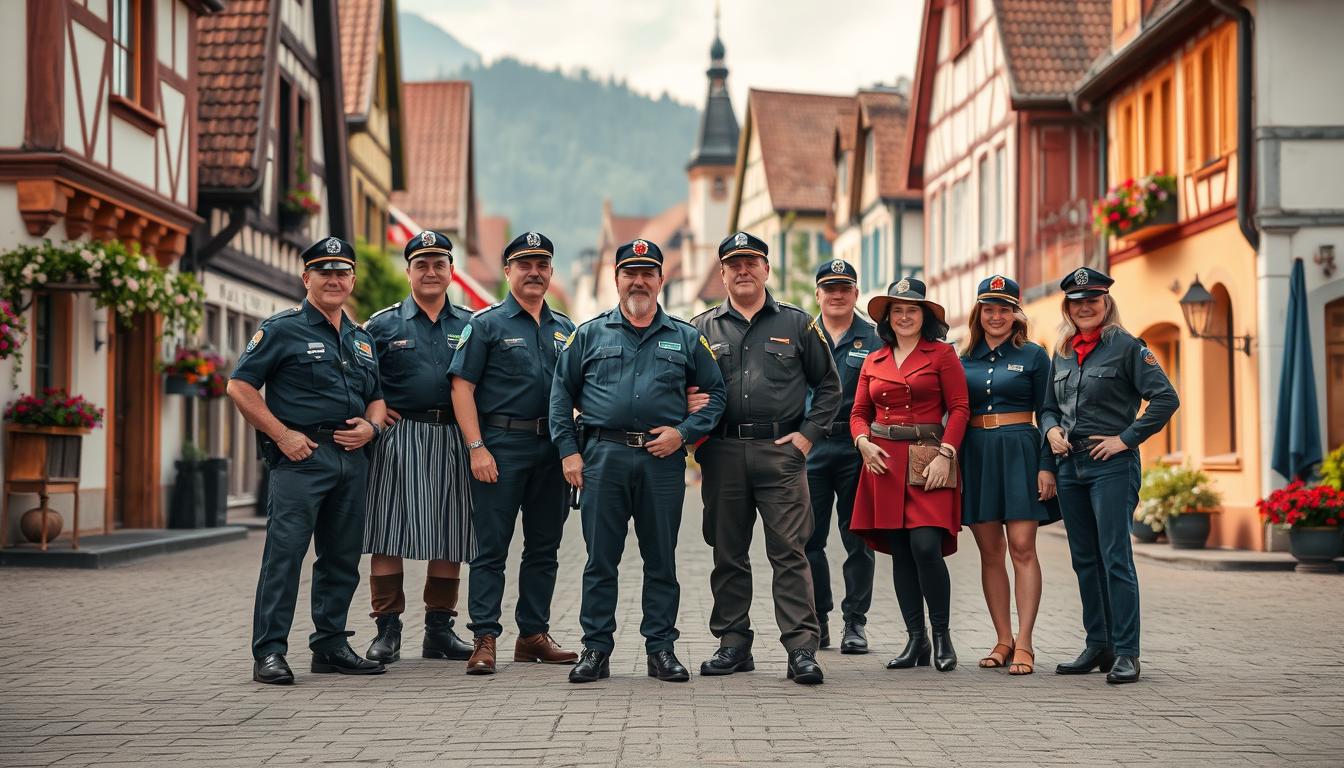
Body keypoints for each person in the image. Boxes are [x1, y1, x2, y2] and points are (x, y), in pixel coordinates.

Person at [550, 239, 727, 683]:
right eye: (630, 272)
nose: (639, 280)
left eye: (648, 273)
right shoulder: (589, 334)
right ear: (617, 279)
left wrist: (683, 435)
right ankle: (595, 650)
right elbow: (559, 396)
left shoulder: (686, 337)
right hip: (601, 457)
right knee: (599, 560)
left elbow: (716, 396)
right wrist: (569, 452)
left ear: (660, 280)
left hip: (661, 459)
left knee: (661, 560)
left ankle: (661, 649)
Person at [228, 236, 387, 685]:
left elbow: (377, 398)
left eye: (342, 272)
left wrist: (372, 428)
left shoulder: (361, 339)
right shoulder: (282, 329)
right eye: (324, 272)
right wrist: (281, 435)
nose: (334, 280)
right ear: (306, 278)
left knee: (341, 558)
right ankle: (270, 652)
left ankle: (331, 645)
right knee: (285, 557)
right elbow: (240, 387)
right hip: (302, 460)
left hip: (352, 459)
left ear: (352, 279)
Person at [691, 231, 842, 685]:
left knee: (790, 553)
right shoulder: (700, 329)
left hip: (781, 455)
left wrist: (807, 438)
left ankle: (801, 649)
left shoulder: (798, 324)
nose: (743, 270)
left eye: (751, 262)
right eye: (734, 264)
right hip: (722, 453)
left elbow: (831, 387)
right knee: (728, 553)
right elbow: (680, 388)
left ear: (766, 270)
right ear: (722, 273)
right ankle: (733, 644)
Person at [447, 232, 579, 674]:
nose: (534, 272)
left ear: (550, 273)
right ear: (508, 272)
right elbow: (461, 388)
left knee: (545, 546)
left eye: (542, 264)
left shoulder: (565, 330)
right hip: (500, 447)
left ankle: (533, 635)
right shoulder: (485, 325)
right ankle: (484, 637)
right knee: (492, 548)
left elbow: (581, 391)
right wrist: (476, 447)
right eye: (525, 264)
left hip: (552, 450)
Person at [1042, 267, 1178, 685]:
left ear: (1105, 303)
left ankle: (1126, 653)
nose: (1085, 307)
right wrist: (1050, 430)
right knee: (1084, 559)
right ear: (1068, 306)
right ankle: (1097, 643)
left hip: (1111, 467)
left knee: (1115, 557)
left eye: (1092, 300)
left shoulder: (1127, 347)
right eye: (1076, 302)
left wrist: (1126, 439)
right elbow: (1048, 405)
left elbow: (1165, 398)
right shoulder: (1062, 351)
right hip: (1070, 467)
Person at [360, 231, 475, 665]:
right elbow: (358, 377)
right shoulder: (381, 324)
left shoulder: (470, 324)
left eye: (439, 264)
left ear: (451, 271)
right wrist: (374, 410)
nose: (430, 271)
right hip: (398, 437)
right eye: (421, 264)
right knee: (387, 531)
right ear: (407, 270)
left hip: (453, 437)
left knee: (450, 533)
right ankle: (387, 631)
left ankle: (439, 632)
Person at [849, 277, 969, 673]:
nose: (904, 316)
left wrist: (946, 455)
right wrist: (863, 443)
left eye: (911, 310)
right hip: (883, 461)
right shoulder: (874, 359)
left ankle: (941, 636)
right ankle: (915, 640)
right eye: (897, 310)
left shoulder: (942, 355)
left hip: (928, 458)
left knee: (924, 547)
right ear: (887, 318)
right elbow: (858, 413)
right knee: (900, 551)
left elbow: (960, 408)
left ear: (924, 316)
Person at [958, 275, 1060, 677]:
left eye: (1003, 308)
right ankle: (1003, 639)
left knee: (1022, 546)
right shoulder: (962, 357)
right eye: (989, 308)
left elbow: (1049, 410)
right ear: (978, 313)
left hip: (1021, 449)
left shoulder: (1035, 355)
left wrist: (1047, 464)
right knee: (990, 552)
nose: (995, 316)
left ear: (1016, 314)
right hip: (977, 454)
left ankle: (1026, 642)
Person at [804, 259, 878, 654]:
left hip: (856, 450)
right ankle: (818, 619)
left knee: (858, 540)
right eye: (829, 287)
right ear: (818, 293)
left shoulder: (875, 338)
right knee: (808, 540)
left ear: (855, 293)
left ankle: (855, 622)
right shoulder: (801, 333)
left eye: (844, 288)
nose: (836, 294)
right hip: (811, 448)